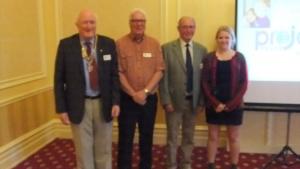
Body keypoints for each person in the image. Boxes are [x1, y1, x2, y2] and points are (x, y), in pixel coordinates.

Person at [54, 9, 120, 169]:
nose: (89, 26)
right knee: (83, 151)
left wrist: (116, 102)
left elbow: (114, 76)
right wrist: (62, 109)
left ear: (96, 25)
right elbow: (58, 80)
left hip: (103, 104)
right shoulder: (66, 45)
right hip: (78, 104)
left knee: (103, 150)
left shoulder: (108, 44)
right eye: (85, 22)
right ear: (77, 25)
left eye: (92, 22)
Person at [116, 8, 165, 169]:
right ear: (130, 23)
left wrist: (144, 92)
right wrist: (133, 93)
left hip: (148, 100)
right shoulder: (120, 44)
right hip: (127, 100)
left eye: (141, 21)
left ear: (145, 23)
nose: (138, 24)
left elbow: (159, 70)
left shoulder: (154, 43)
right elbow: (118, 72)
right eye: (135, 21)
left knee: (146, 138)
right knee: (125, 139)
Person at [159, 16, 207, 169]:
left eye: (191, 27)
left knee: (189, 136)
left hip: (193, 103)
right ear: (178, 28)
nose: (188, 30)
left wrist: (201, 102)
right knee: (172, 137)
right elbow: (163, 77)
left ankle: (186, 163)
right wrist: (166, 101)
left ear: (195, 28)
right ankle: (171, 165)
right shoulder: (166, 48)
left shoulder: (202, 50)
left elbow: (204, 80)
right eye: (184, 27)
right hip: (174, 103)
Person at [201, 26, 248, 169]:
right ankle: (211, 164)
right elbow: (204, 83)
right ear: (216, 40)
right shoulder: (209, 58)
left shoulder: (240, 57)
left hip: (234, 105)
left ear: (233, 40)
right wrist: (216, 103)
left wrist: (230, 105)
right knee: (213, 137)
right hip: (213, 105)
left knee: (233, 138)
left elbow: (244, 83)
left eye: (227, 37)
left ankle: (234, 165)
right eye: (221, 37)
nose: (224, 40)